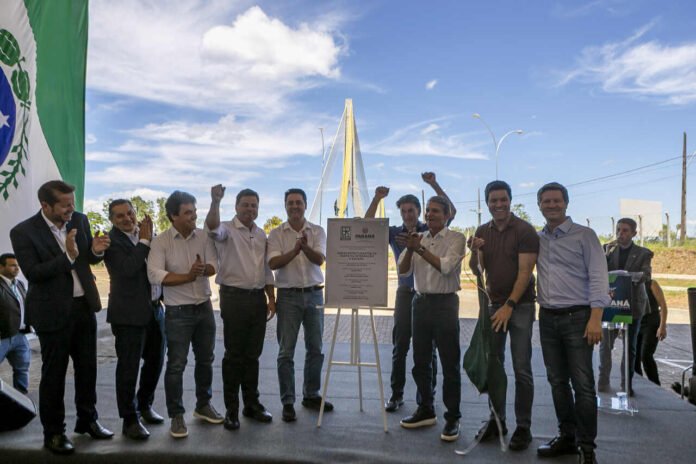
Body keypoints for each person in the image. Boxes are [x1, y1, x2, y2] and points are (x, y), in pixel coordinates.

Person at [10, 180, 114, 455]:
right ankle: (54, 432)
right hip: (51, 312)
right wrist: (67, 256)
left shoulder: (79, 220)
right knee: (54, 374)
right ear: (45, 205)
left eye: (72, 203)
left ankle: (87, 420)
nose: (71, 209)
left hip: (83, 307)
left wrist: (96, 250)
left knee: (88, 369)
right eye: (65, 205)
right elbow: (33, 273)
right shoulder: (23, 232)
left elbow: (87, 259)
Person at [364, 172, 457, 413]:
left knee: (429, 350)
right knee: (400, 345)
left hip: (428, 295)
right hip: (405, 293)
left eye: (411, 210)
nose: (407, 215)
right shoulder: (395, 233)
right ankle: (396, 395)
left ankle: (427, 397)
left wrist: (434, 184)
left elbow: (450, 210)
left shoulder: (428, 229)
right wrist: (376, 199)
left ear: (419, 212)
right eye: (404, 211)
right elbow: (367, 225)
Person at [535, 182, 609, 464]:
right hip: (547, 318)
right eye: (546, 201)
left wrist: (595, 318)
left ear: (566, 203)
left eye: (557, 200)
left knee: (583, 385)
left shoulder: (584, 235)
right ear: (539, 205)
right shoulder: (537, 239)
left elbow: (599, 277)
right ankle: (567, 437)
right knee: (557, 382)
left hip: (578, 318)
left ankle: (587, 448)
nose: (552, 205)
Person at [467, 180, 538, 451]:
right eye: (493, 200)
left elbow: (525, 273)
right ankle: (497, 422)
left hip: (520, 307)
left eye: (503, 199)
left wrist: (509, 304)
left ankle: (524, 427)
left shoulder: (525, 230)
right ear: (487, 203)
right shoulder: (482, 231)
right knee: (494, 366)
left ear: (510, 200)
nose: (498, 204)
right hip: (493, 305)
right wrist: (475, 251)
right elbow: (477, 270)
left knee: (521, 368)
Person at [147, 190, 223, 438]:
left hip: (204, 308)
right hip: (177, 311)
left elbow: (214, 265)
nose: (194, 216)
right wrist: (188, 277)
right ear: (173, 216)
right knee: (176, 365)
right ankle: (176, 416)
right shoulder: (161, 241)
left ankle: (203, 405)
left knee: (206, 359)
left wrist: (203, 270)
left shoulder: (203, 236)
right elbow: (155, 274)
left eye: (194, 211)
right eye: (188, 212)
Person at [206, 185, 275, 430]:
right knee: (234, 356)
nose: (250, 209)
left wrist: (271, 297)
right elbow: (212, 226)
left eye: (254, 205)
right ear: (236, 207)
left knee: (253, 356)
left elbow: (266, 269)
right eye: (245, 204)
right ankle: (231, 409)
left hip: (257, 299)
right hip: (234, 298)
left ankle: (251, 404)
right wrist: (215, 201)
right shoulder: (226, 229)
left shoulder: (262, 234)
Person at [398, 196, 466, 442]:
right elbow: (403, 270)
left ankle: (452, 417)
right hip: (420, 303)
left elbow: (446, 268)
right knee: (421, 362)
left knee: (449, 363)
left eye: (435, 211)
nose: (429, 214)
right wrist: (411, 248)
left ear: (447, 215)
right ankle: (426, 409)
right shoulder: (419, 238)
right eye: (428, 211)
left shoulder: (456, 238)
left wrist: (419, 249)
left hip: (445, 304)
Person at [267, 188, 332, 422]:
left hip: (314, 295)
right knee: (286, 351)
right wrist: (295, 251)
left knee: (316, 348)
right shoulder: (276, 234)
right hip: (288, 297)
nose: (295, 206)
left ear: (305, 205)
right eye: (291, 203)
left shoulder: (318, 231)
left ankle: (311, 394)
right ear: (285, 206)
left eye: (299, 202)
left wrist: (304, 248)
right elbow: (273, 263)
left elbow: (320, 259)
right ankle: (288, 401)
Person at [104, 200, 166, 440]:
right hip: (128, 315)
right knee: (128, 368)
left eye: (130, 213)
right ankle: (129, 419)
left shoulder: (148, 235)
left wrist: (151, 240)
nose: (127, 218)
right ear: (112, 220)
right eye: (120, 216)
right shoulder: (110, 242)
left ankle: (145, 405)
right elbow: (127, 269)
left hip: (155, 310)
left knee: (155, 361)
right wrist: (145, 242)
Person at [598, 218, 653, 396]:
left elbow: (646, 276)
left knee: (630, 347)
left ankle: (626, 385)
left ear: (634, 233)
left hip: (633, 305)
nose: (620, 234)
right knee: (605, 345)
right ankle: (603, 382)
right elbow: (597, 271)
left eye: (625, 230)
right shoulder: (607, 249)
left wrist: (625, 276)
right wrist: (605, 257)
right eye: (618, 230)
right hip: (611, 304)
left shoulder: (643, 253)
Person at [0, 253, 31, 394]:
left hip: (20, 335)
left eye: (17, 265)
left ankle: (21, 400)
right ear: (1, 267)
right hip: (3, 337)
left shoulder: (19, 284)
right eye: (12, 265)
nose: (17, 268)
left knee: (22, 369)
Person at [635, 279, 668, 385]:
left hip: (651, 323)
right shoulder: (632, 284)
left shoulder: (652, 284)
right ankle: (638, 384)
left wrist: (662, 326)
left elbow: (663, 306)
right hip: (637, 323)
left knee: (645, 356)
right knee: (634, 357)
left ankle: (655, 384)